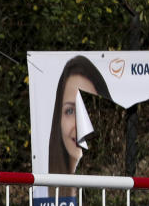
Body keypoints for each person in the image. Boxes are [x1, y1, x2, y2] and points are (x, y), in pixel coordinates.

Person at [47, 55, 112, 196]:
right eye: (70, 111)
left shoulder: (111, 189)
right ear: (58, 117)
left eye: (87, 110)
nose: (80, 125)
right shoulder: (46, 191)